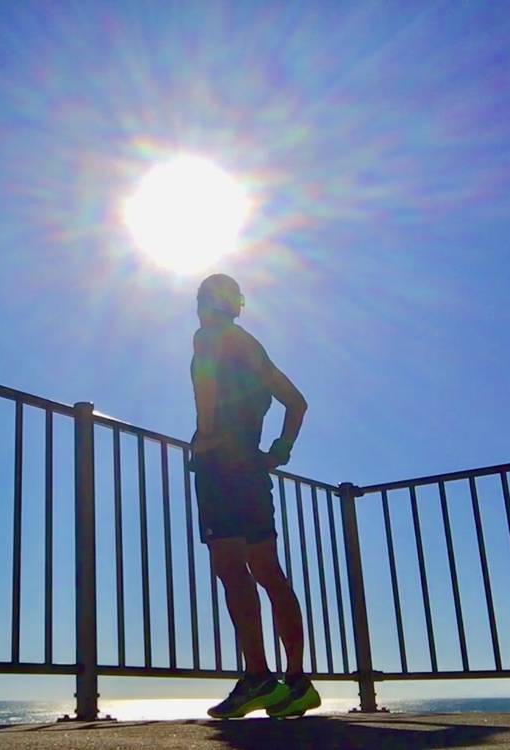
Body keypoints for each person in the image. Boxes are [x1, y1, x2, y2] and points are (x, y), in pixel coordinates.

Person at [190, 272, 321, 719]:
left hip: (220, 468)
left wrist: (206, 435)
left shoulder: (208, 337)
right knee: (267, 569)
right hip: (249, 468)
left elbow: (204, 385)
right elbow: (297, 403)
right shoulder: (254, 350)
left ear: (206, 302)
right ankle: (297, 682)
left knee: (231, 567)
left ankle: (258, 677)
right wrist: (278, 452)